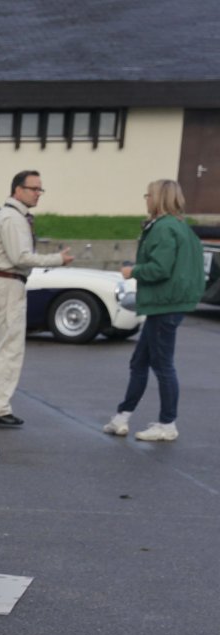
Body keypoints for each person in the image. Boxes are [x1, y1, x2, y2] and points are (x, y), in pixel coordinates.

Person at [104, 179, 205, 443]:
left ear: (159, 198)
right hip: (171, 304)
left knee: (162, 365)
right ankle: (122, 417)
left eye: (148, 195)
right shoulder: (182, 227)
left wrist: (132, 271)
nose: (146, 199)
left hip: (164, 305)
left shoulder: (163, 228)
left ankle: (167, 424)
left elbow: (160, 268)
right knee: (141, 362)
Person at [0, 170, 73, 427]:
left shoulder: (6, 215)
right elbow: (20, 257)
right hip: (8, 283)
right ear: (18, 190)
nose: (38, 194)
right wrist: (57, 259)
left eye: (40, 189)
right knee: (8, 349)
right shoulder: (13, 218)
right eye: (34, 189)